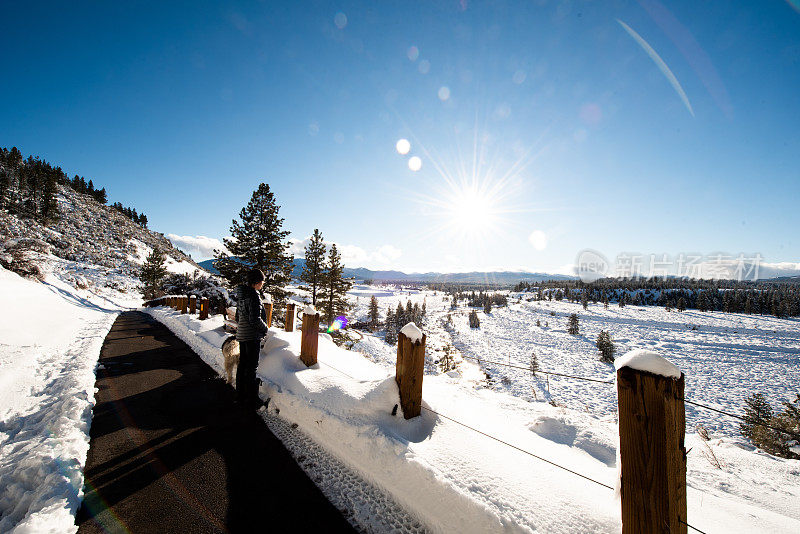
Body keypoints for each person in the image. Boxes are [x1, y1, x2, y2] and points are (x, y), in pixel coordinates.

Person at [234, 268, 268, 408]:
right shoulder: (254, 296)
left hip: (242, 335)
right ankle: (253, 400)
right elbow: (255, 319)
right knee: (252, 367)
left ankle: (240, 395)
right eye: (262, 281)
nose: (262, 283)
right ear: (257, 282)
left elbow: (237, 317)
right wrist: (265, 328)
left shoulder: (242, 295)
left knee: (242, 365)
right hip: (252, 336)